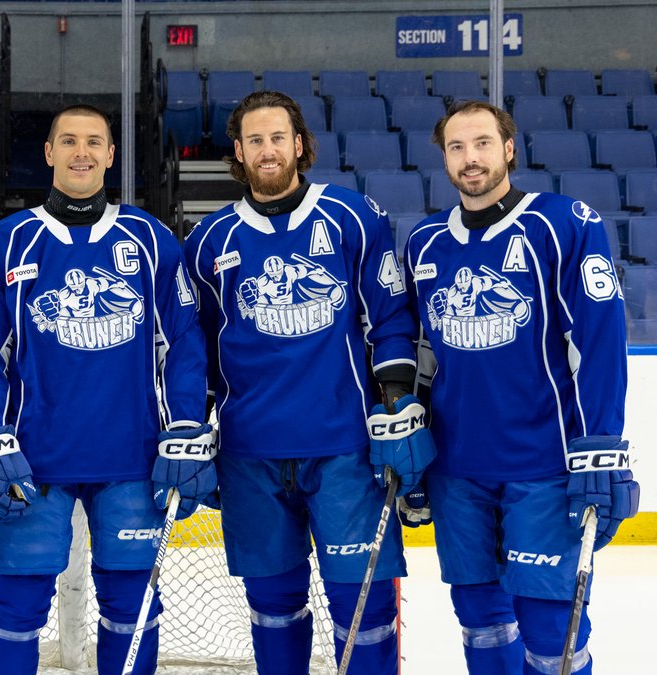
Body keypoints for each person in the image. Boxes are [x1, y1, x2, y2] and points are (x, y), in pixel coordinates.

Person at [183, 91, 435, 674]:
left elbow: (390, 318)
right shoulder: (208, 242)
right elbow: (194, 348)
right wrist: (191, 423)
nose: (267, 151)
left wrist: (397, 406)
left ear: (299, 144)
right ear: (238, 153)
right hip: (251, 454)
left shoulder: (353, 216)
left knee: (364, 608)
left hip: (344, 449)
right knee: (273, 607)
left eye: (278, 138)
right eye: (254, 141)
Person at [0, 104, 211, 675]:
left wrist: (186, 425)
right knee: (16, 603)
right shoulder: (4, 244)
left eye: (94, 142)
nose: (82, 152)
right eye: (68, 141)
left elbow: (184, 347)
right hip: (31, 461)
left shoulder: (152, 241)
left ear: (111, 156)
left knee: (131, 604)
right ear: (48, 153)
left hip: (131, 460)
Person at [401, 100, 640, 674]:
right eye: (456, 147)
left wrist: (599, 446)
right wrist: (411, 445)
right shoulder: (424, 243)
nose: (470, 158)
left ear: (509, 149)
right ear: (444, 158)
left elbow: (601, 344)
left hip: (544, 464)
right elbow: (420, 356)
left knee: (550, 626)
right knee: (480, 618)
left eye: (483, 143)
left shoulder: (562, 224)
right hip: (457, 468)